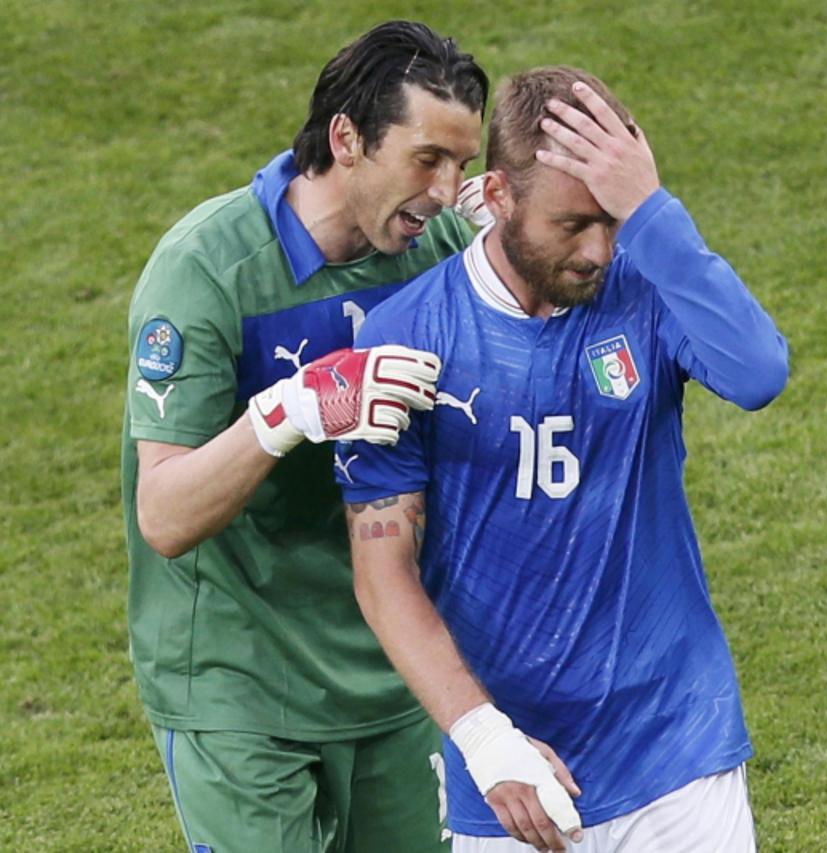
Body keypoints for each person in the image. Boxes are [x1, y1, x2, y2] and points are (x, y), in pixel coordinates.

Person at [124, 21, 575, 852]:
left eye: (462, 166)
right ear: (347, 139)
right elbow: (164, 513)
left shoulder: (437, 251)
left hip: (388, 672)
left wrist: (512, 247)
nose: (445, 191)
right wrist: (291, 411)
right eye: (427, 159)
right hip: (238, 685)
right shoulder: (204, 270)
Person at [338, 66, 789, 851]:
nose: (598, 249)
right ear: (500, 196)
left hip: (675, 744)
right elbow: (384, 571)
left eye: (613, 220)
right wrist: (483, 738)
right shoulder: (403, 338)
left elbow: (758, 373)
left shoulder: (645, 285)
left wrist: (653, 211)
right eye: (572, 223)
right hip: (516, 779)